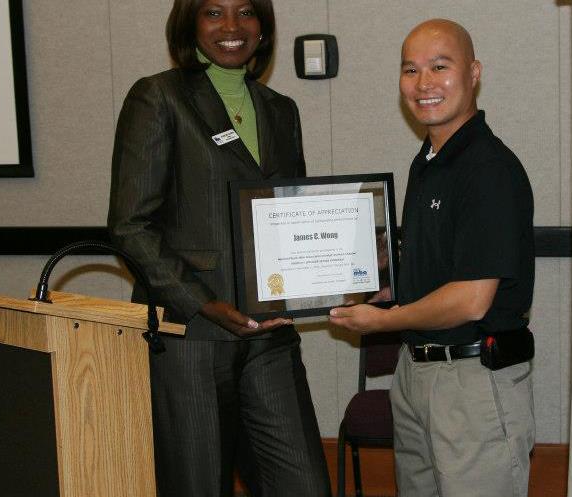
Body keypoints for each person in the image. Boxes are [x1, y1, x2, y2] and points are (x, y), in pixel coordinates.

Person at [107, 1, 330, 495]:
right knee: (198, 485)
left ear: (263, 27)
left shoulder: (281, 110)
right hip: (192, 339)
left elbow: (291, 216)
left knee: (305, 485)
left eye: (246, 11)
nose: (232, 26)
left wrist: (331, 276)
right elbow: (130, 227)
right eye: (213, 12)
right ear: (190, 23)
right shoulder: (158, 98)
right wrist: (204, 303)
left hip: (270, 338)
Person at [329, 19, 536, 497]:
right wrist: (387, 289)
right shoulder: (427, 162)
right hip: (416, 374)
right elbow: (439, 270)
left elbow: (470, 300)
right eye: (411, 69)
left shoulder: (488, 169)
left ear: (474, 72)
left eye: (440, 66)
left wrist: (383, 321)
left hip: (472, 384)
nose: (424, 84)